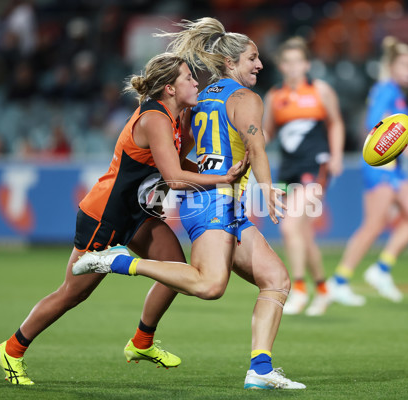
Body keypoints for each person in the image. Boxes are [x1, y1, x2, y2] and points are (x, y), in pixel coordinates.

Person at [74, 17, 306, 390]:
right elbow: (256, 145)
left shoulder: (201, 97)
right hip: (215, 200)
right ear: (230, 63)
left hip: (214, 201)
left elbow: (179, 147)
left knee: (276, 280)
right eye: (252, 58)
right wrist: (268, 187)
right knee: (210, 286)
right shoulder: (245, 98)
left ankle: (260, 369)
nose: (260, 65)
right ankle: (120, 261)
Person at [0, 52, 249, 385]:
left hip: (136, 214)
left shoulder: (174, 116)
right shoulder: (155, 119)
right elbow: (172, 177)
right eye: (188, 78)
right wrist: (222, 178)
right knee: (73, 292)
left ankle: (141, 343)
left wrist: (205, 172)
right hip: (105, 216)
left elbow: (176, 166)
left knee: (175, 270)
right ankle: (11, 349)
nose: (195, 82)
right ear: (169, 88)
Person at [326, 36, 408, 303]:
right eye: (405, 64)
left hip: (395, 167)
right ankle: (339, 280)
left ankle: (381, 269)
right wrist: (407, 145)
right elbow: (375, 126)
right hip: (382, 165)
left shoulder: (393, 91)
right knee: (373, 225)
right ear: (392, 65)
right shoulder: (386, 90)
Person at [262, 37, 346, 315]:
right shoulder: (274, 96)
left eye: (299, 61)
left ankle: (298, 288)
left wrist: (336, 155)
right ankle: (323, 289)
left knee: (289, 227)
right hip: (288, 170)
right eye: (288, 62)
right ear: (281, 66)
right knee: (303, 234)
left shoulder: (320, 90)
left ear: (307, 64)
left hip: (316, 165)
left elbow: (335, 123)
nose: (294, 66)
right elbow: (267, 132)